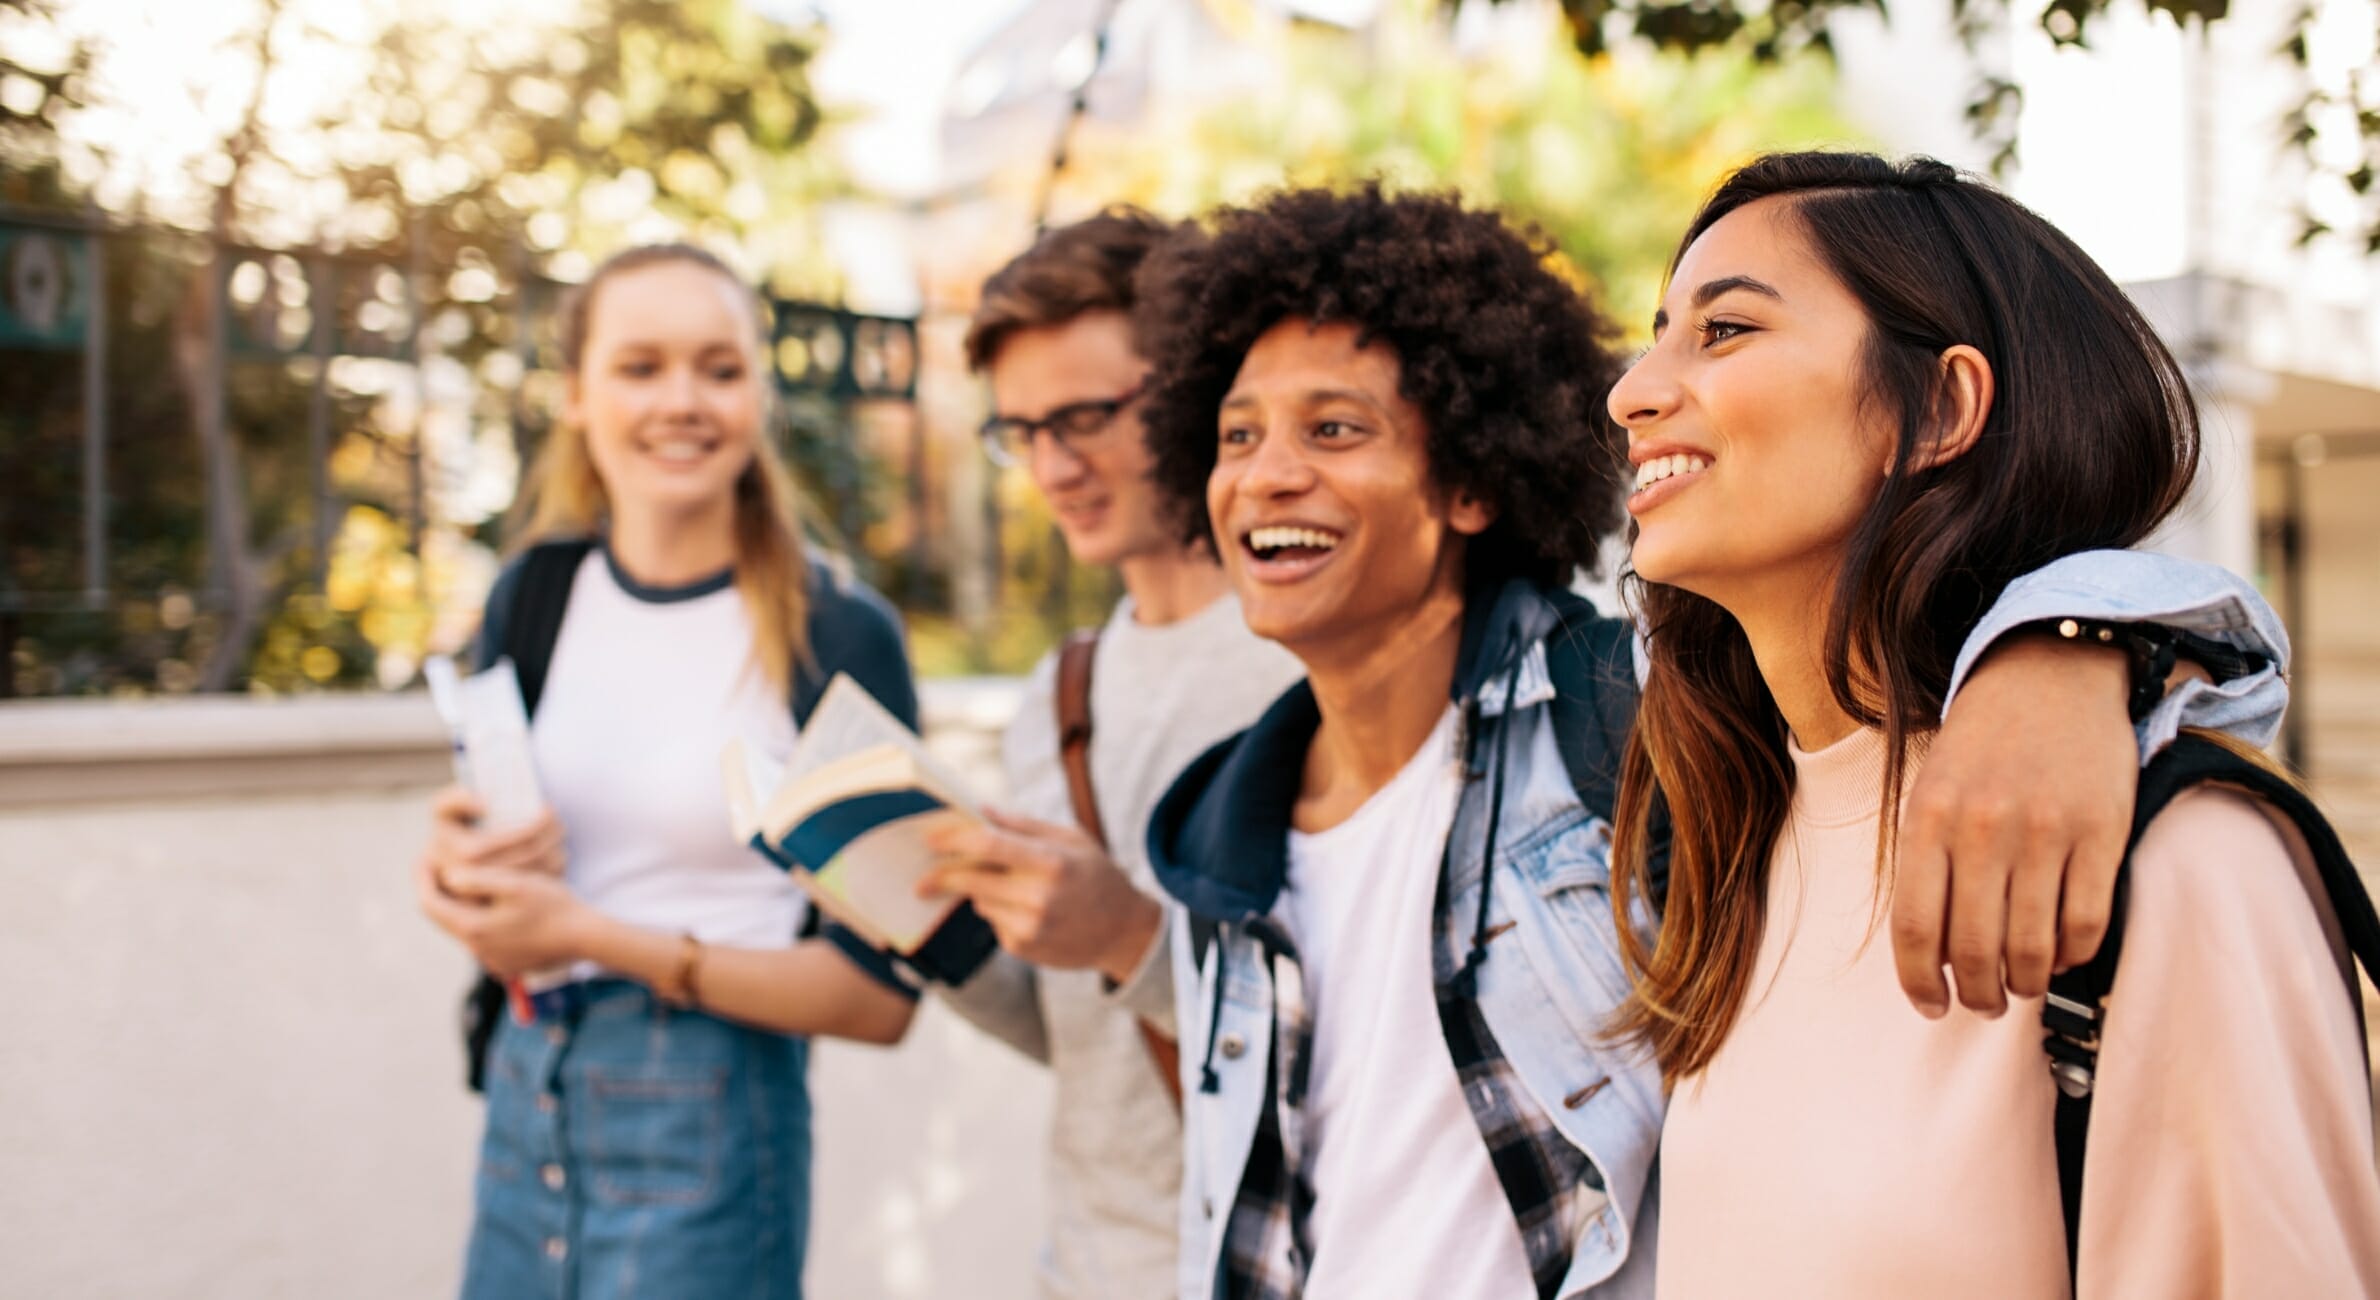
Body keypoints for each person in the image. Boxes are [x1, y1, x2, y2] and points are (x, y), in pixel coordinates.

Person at [1129, 184, 2292, 1298]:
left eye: (1334, 428)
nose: (1267, 474)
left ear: (1473, 483)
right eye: (1234, 436)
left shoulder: (1626, 727)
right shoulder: (1211, 834)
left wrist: (2072, 641)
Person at [1608, 151, 2379, 1297]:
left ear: (1942, 408)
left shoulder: (2172, 859)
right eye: (1657, 331)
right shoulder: (1721, 845)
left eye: (1723, 331)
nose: (1629, 390)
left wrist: (2078, 642)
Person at [415, 243, 924, 1300]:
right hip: (526, 1094)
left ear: (758, 394)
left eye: (719, 368)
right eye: (641, 367)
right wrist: (454, 876)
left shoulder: (836, 634)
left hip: (715, 1115)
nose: (682, 401)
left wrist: (589, 936)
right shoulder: (533, 597)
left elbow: (878, 997)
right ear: (575, 395)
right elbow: (493, 855)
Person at [910, 208, 1306, 1298]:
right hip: (1082, 1263)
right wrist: (917, 923)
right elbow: (1077, 1038)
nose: (1054, 464)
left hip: (1267, 1264)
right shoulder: (1061, 689)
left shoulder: (1311, 660)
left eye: (1086, 415)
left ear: (1189, 390)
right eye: (1023, 430)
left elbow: (1374, 1025)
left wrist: (1129, 933)